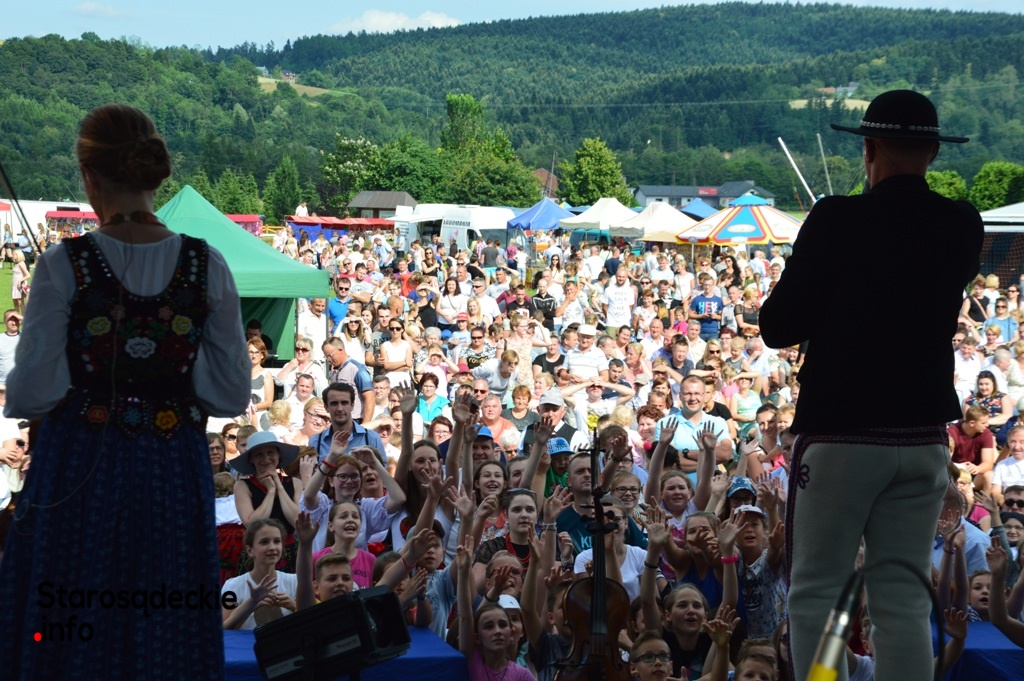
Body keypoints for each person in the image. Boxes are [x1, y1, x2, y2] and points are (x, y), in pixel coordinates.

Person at [0, 104, 250, 678]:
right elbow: (229, 396)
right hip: (171, 470)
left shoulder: (63, 264)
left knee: (71, 613)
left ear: (89, 177)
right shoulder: (206, 264)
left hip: (76, 470)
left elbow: (30, 395)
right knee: (166, 611)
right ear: (152, 174)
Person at [759, 90, 982, 681]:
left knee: (818, 591)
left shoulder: (837, 218)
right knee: (902, 599)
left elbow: (777, 326)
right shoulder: (962, 223)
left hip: (842, 432)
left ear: (869, 149)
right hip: (923, 435)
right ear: (934, 152)